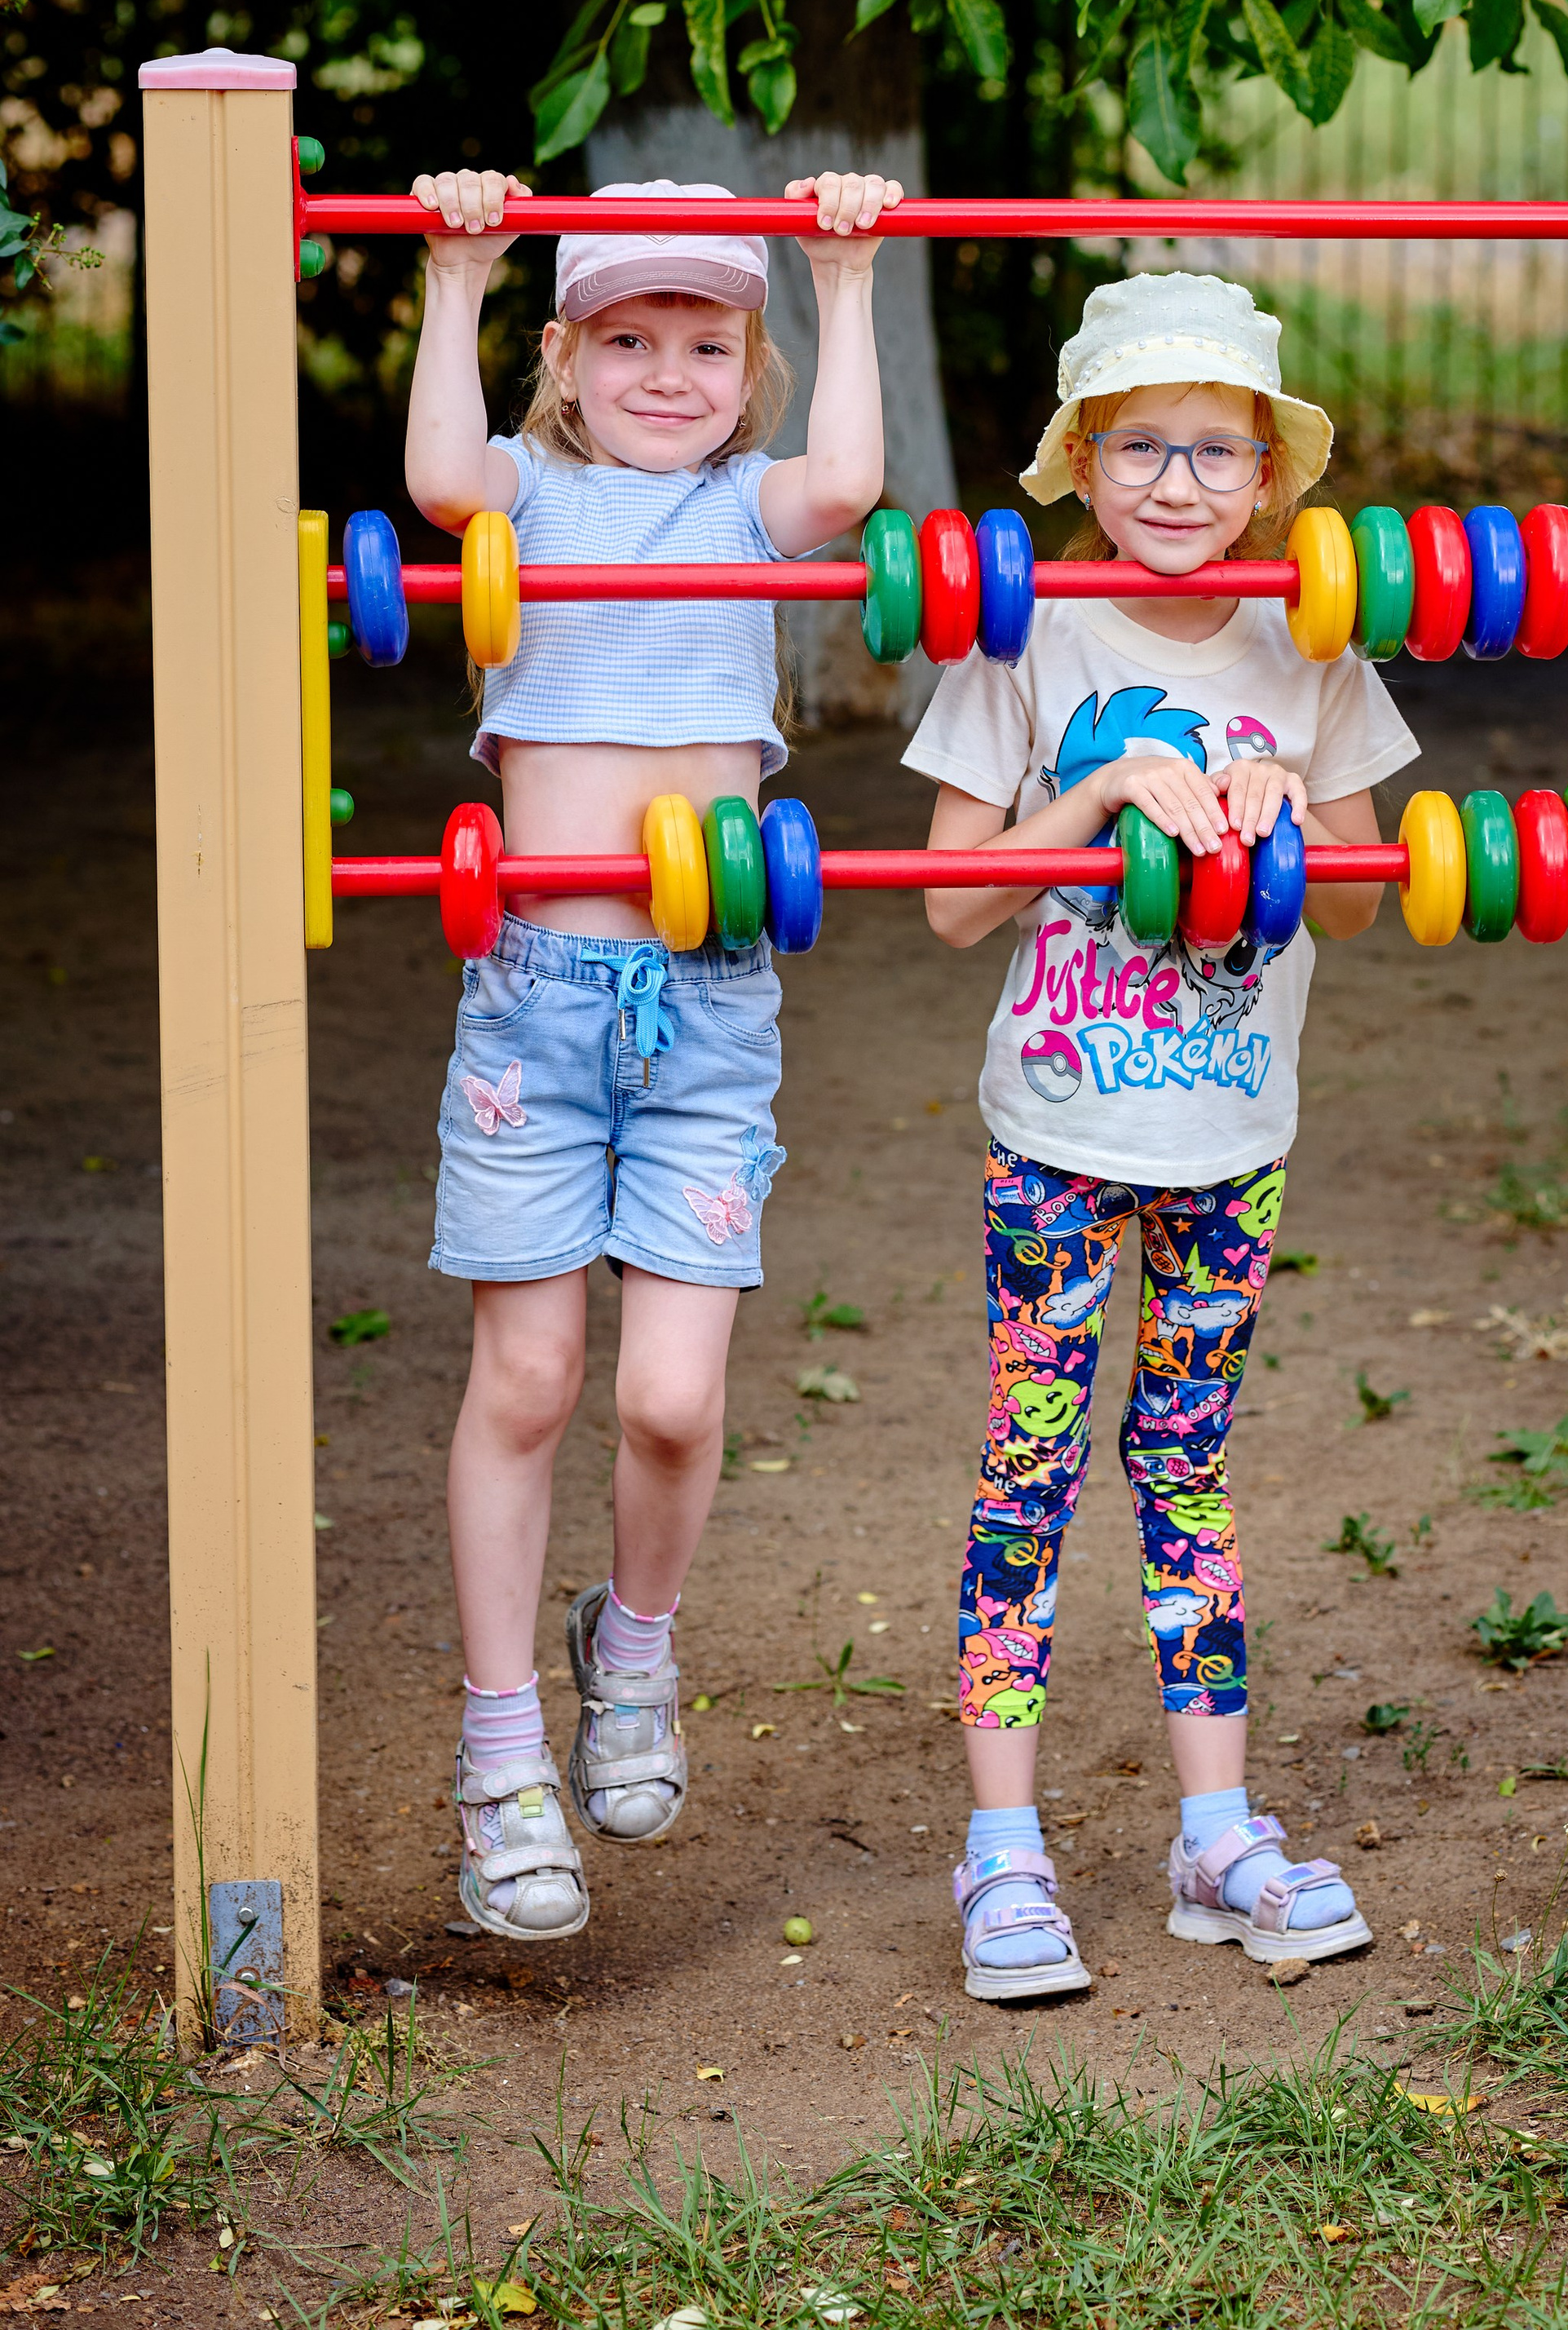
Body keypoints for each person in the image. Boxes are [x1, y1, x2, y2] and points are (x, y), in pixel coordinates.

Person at [902, 271, 1417, 1999]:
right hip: (1052, 1137)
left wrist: (1285, 808)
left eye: (1214, 450)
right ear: (1082, 459)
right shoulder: (1026, 630)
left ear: (1270, 474)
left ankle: (1212, 1840)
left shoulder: (1313, 637)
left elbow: (1350, 911)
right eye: (1139, 447)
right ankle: (1001, 1859)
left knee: (1185, 1468)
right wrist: (1105, 792)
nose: (1178, 483)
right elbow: (952, 910)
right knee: (1026, 1477)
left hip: (1230, 1143)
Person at [403, 161, 899, 1940]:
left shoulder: (754, 514)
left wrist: (844, 282)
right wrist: (456, 270)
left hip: (708, 1009)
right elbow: (435, 479)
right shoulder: (526, 492)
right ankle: (499, 1757)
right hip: (536, 1000)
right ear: (566, 359)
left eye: (706, 343)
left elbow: (853, 479)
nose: (668, 373)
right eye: (629, 341)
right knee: (527, 1383)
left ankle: (633, 1650)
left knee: (670, 1401)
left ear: (748, 369)